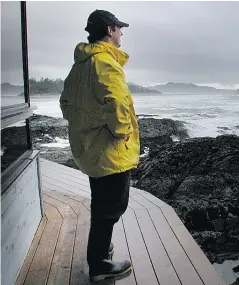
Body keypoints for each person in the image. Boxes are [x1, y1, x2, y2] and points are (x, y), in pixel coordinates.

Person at [59, 9, 140, 282]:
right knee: (112, 207)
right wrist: (121, 133)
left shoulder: (81, 64)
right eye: (119, 28)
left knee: (102, 203)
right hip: (109, 151)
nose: (121, 33)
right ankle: (100, 265)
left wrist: (85, 125)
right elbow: (117, 104)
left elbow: (66, 103)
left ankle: (101, 249)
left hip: (91, 149)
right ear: (109, 30)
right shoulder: (104, 62)